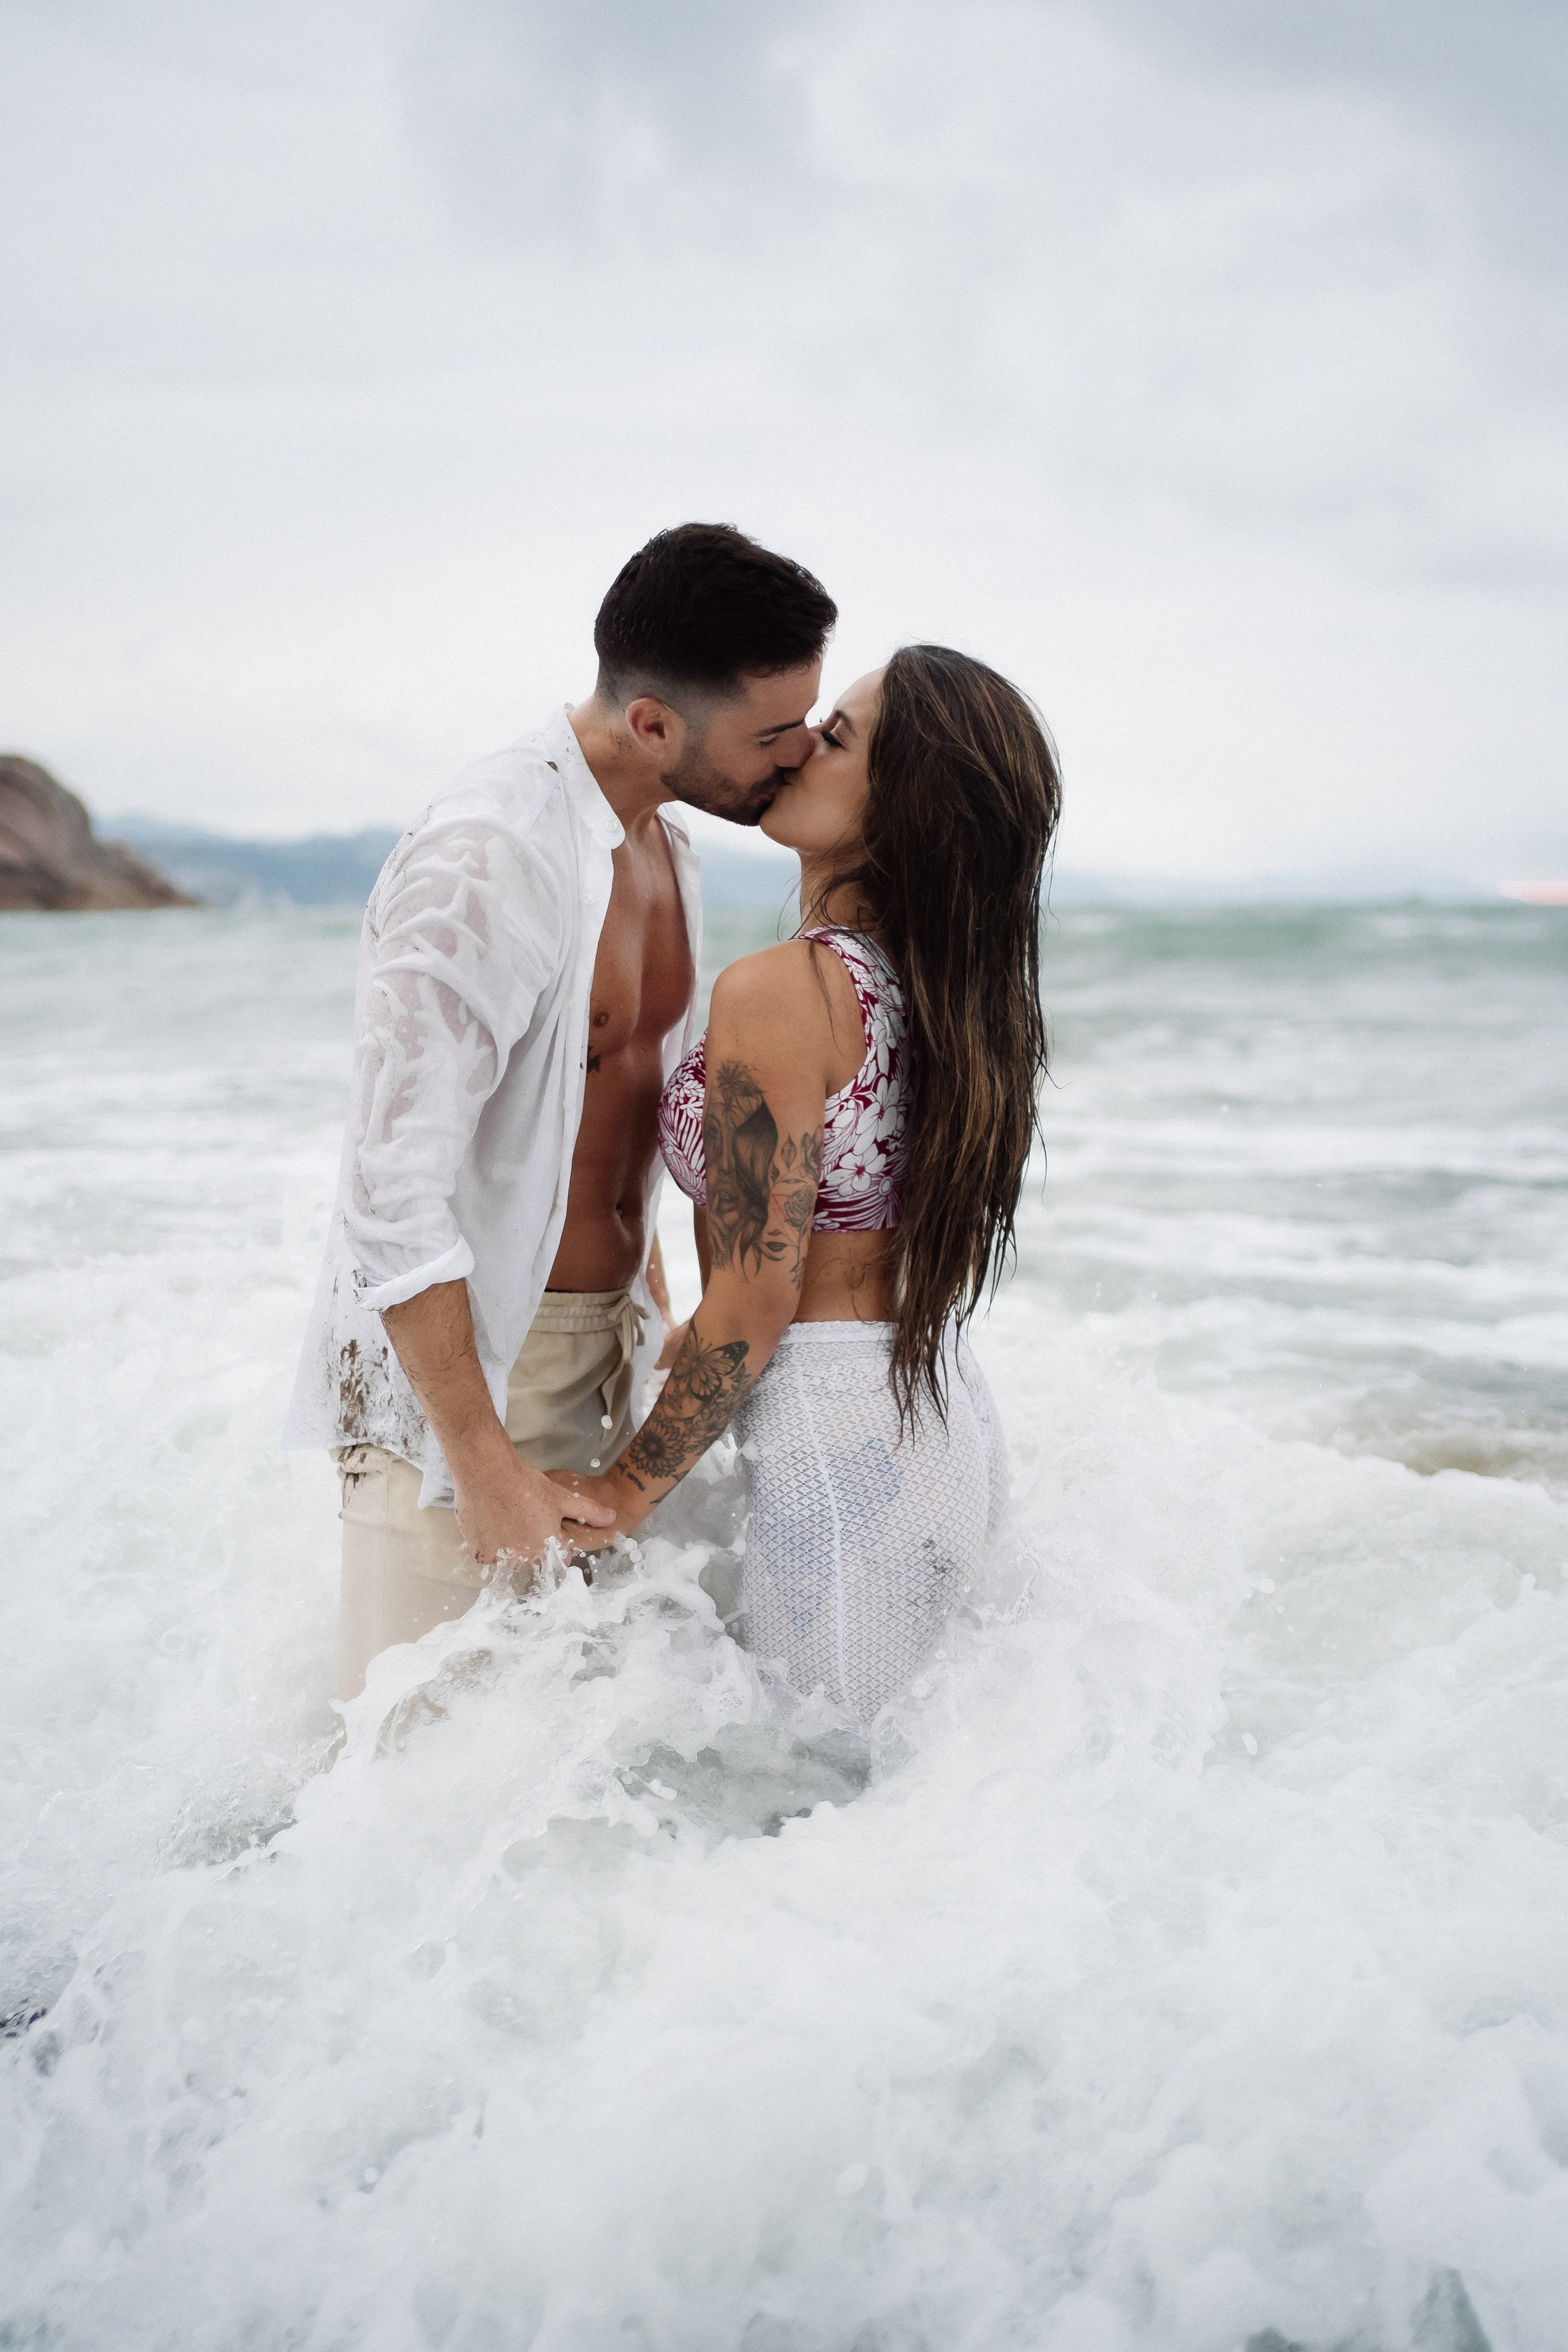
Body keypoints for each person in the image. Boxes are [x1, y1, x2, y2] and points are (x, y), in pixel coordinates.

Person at [284, 523, 838, 1698]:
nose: (795, 757)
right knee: (410, 1773)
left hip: (606, 1358)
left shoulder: (666, 848)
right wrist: (477, 1459)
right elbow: (389, 1191)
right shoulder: (485, 856)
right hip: (460, 1374)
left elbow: (616, 1127)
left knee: (548, 1789)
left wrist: (662, 1314)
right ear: (653, 723)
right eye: (771, 733)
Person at [556, 646, 1062, 1721]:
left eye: (836, 738)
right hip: (927, 1411)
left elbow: (758, 1293)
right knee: (875, 1809)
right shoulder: (948, 998)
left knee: (814, 1803)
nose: (798, 748)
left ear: (902, 808)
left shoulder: (788, 989)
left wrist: (623, 1491)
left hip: (839, 1443)